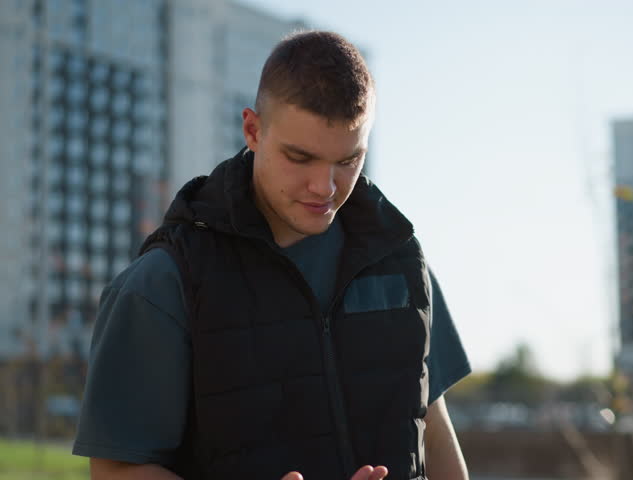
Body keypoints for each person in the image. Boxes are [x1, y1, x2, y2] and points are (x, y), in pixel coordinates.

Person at [72, 31, 471, 480]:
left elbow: (433, 428)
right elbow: (117, 469)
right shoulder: (164, 282)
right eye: (300, 157)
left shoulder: (399, 258)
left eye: (347, 160)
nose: (325, 187)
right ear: (253, 130)